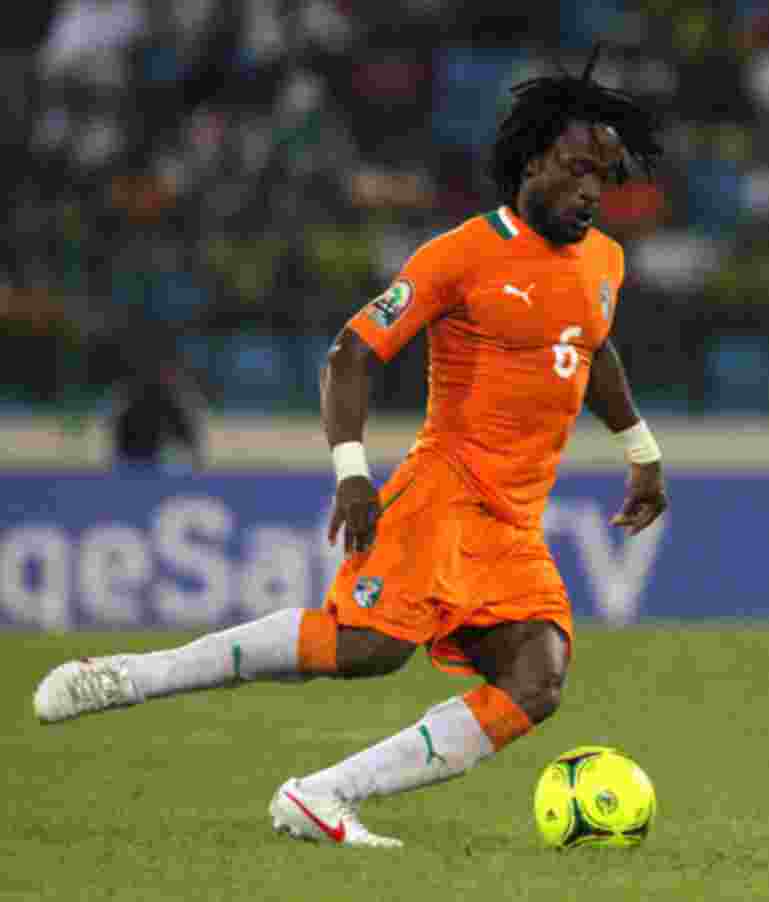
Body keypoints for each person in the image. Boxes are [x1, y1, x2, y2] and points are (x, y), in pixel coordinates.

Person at [31, 48, 669, 848]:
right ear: (533, 159)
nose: (590, 193)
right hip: (445, 488)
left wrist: (640, 448)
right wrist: (354, 474)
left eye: (604, 181)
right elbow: (349, 355)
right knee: (365, 648)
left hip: (512, 520)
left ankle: (325, 793)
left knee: (536, 679)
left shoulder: (604, 261)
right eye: (578, 171)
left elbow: (593, 345)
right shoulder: (461, 255)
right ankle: (128, 677)